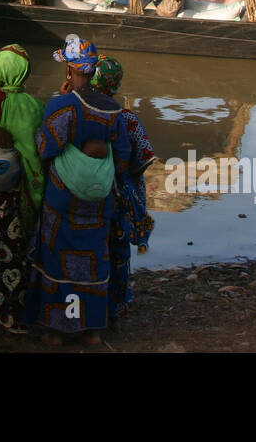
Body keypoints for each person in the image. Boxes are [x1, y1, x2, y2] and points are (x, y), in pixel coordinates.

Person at [24, 34, 131, 346]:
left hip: (63, 200)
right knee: (93, 257)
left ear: (70, 70)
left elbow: (44, 147)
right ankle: (92, 329)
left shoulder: (62, 106)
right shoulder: (113, 110)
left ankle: (57, 330)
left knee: (58, 255)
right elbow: (123, 157)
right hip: (99, 201)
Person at [0, 44, 45, 332]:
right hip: (16, 197)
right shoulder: (32, 106)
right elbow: (35, 158)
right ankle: (11, 314)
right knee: (14, 252)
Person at [90, 56, 155, 323]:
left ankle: (90, 305)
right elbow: (144, 158)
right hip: (120, 196)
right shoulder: (127, 118)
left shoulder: (83, 112)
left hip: (90, 193)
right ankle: (117, 304)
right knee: (118, 250)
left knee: (93, 247)